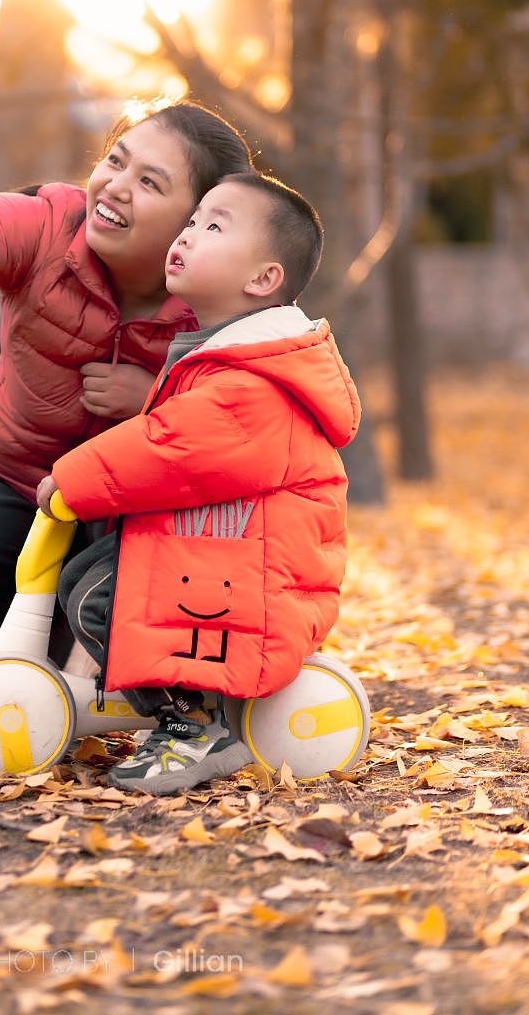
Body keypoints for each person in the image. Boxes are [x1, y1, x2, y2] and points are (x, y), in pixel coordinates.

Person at [0, 78, 253, 661]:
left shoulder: (224, 301)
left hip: (150, 515)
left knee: (162, 602)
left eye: (150, 183)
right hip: (25, 485)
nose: (116, 187)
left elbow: (248, 420)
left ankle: (141, 660)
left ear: (197, 223)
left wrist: (155, 402)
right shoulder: (51, 227)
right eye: (116, 161)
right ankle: (46, 651)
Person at [36, 170, 361, 795]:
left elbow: (171, 447)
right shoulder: (224, 352)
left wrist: (71, 479)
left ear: (263, 279)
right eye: (192, 221)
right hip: (226, 552)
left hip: (248, 572)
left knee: (96, 595)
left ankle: (194, 724)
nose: (188, 234)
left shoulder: (252, 379)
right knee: (92, 579)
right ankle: (181, 706)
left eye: (213, 227)